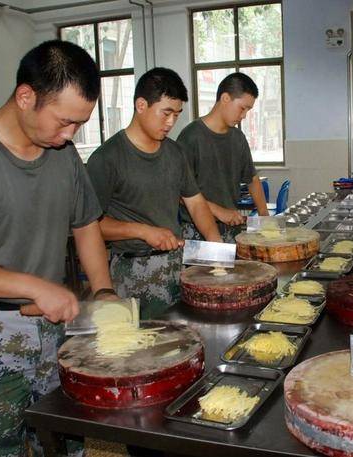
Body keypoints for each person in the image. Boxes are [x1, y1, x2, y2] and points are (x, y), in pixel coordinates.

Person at [0, 40, 115, 456]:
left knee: (63, 436)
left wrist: (104, 289)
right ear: (25, 97)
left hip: (54, 326)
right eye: (63, 121)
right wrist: (37, 286)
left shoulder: (64, 155)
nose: (70, 134)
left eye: (79, 124)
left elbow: (86, 225)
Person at [87, 68, 222, 320]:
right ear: (141, 105)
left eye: (177, 115)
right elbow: (90, 226)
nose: (171, 122)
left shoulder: (175, 153)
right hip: (133, 271)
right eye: (166, 113)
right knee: (144, 346)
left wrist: (216, 246)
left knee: (183, 336)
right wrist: (143, 231)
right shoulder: (107, 158)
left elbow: (196, 204)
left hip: (176, 266)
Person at [177, 72, 268, 243]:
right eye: (242, 108)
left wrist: (264, 216)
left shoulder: (237, 138)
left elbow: (252, 179)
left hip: (231, 229)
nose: (244, 116)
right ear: (225, 98)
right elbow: (179, 193)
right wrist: (218, 211)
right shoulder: (191, 137)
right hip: (196, 232)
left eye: (248, 110)